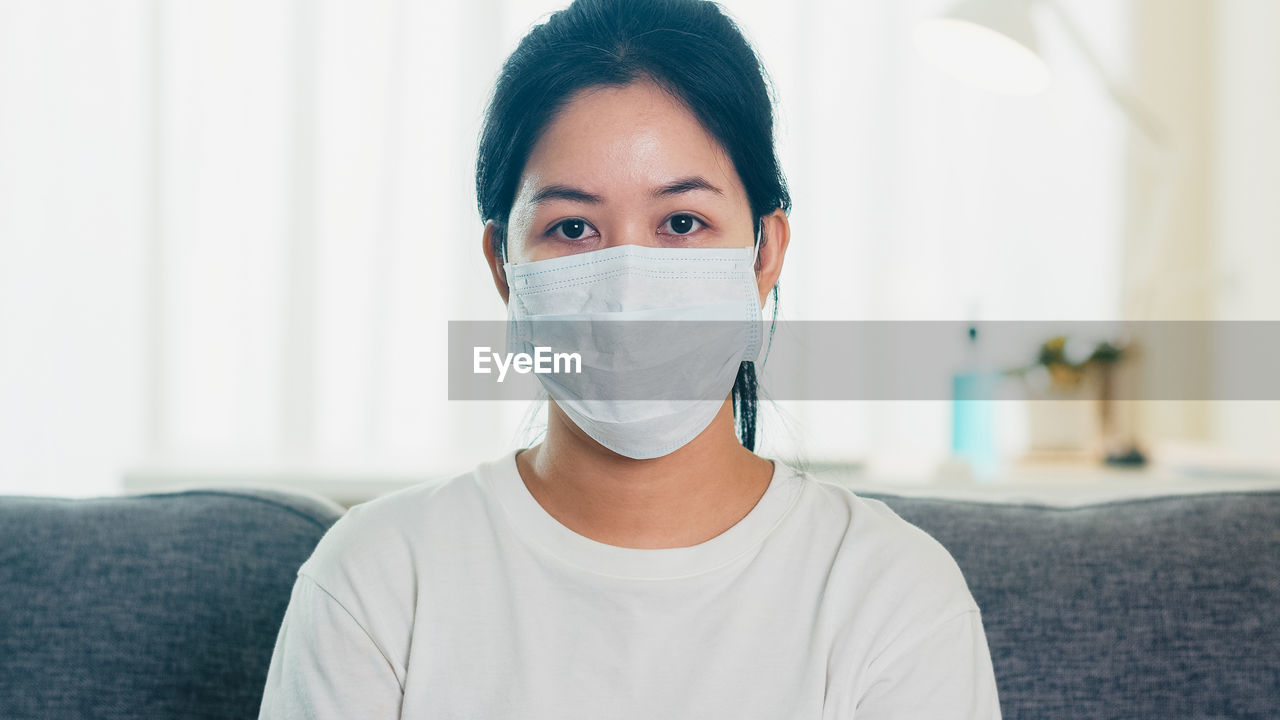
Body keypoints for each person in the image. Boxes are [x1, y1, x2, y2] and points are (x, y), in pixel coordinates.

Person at [258, 0, 1002, 717]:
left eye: (682, 222)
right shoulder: (379, 578)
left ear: (764, 251)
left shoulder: (893, 595)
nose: (628, 287)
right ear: (502, 267)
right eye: (574, 227)